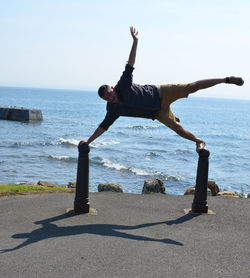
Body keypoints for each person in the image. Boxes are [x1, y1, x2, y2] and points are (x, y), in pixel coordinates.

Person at [79, 27, 244, 152]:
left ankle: (226, 80)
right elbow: (103, 126)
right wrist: (88, 141)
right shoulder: (113, 109)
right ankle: (199, 141)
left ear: (113, 89)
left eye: (109, 93)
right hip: (157, 112)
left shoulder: (123, 84)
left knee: (192, 87)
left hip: (161, 92)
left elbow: (130, 64)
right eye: (106, 98)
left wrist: (135, 42)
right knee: (178, 129)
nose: (109, 97)